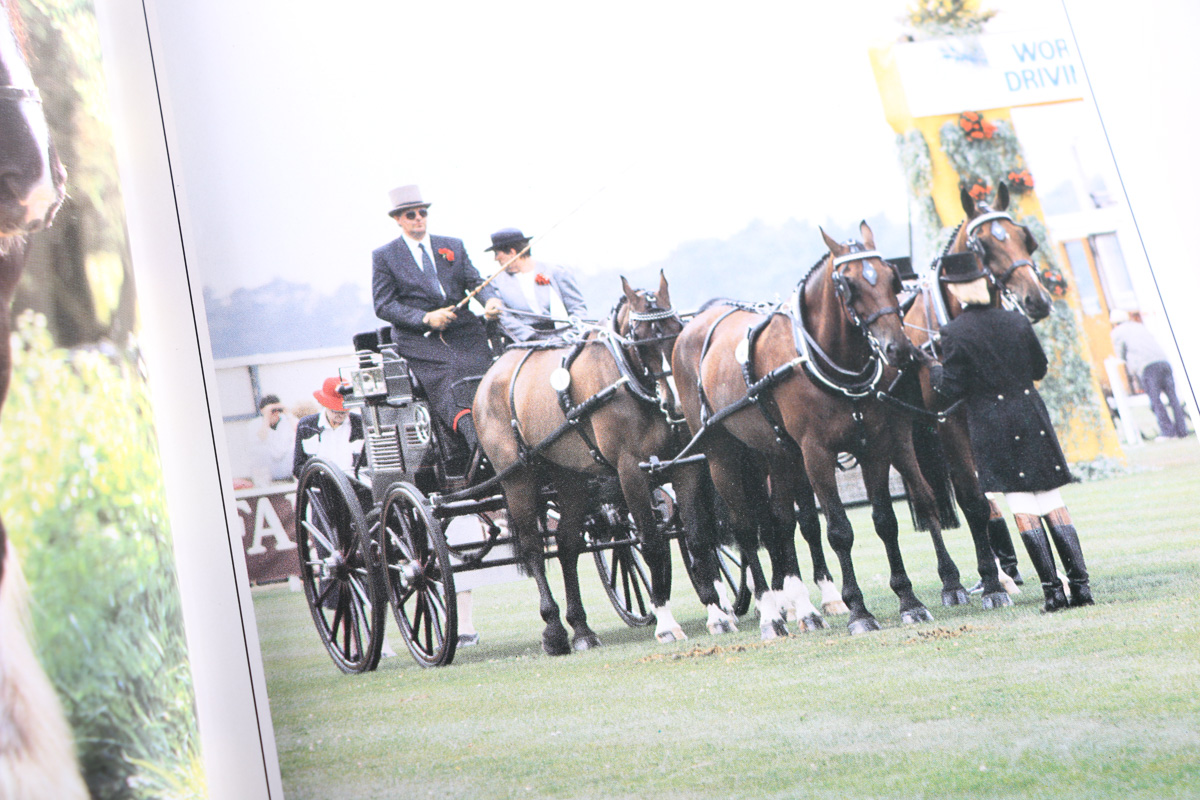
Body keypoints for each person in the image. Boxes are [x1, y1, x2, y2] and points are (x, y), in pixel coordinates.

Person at [929, 253, 1094, 613]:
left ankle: (1053, 592)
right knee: (1051, 499)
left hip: (992, 422)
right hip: (1030, 414)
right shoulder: (1017, 321)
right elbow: (1039, 368)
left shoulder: (954, 333)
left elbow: (951, 388)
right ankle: (1080, 587)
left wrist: (933, 370)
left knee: (1021, 504)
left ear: (956, 291)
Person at [371, 185, 502, 459]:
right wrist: (425, 318)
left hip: (464, 330)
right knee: (455, 369)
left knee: (490, 369)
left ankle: (502, 425)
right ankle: (471, 436)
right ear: (398, 219)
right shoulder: (385, 256)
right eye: (410, 215)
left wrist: (489, 302)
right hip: (420, 340)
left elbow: (476, 282)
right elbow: (383, 305)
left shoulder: (452, 245)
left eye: (422, 213)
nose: (418, 218)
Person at [485, 227, 588, 341]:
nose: (495, 259)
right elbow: (504, 317)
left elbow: (577, 307)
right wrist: (532, 337)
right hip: (524, 341)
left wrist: (572, 333)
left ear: (512, 252)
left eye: (497, 253)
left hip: (565, 337)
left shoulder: (555, 272)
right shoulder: (496, 282)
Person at [1110, 309, 1189, 439]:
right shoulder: (1139, 326)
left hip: (1147, 367)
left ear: (1115, 323)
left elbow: (1120, 355)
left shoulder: (1117, 332)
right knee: (1173, 398)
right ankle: (1182, 431)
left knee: (1156, 401)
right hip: (1164, 362)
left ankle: (1168, 432)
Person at [292, 377, 364, 479]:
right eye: (334, 410)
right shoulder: (306, 426)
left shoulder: (360, 424)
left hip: (354, 489)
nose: (340, 415)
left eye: (344, 411)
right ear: (324, 405)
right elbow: (298, 467)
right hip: (320, 489)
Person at [247, 393, 297, 486]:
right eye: (272, 410)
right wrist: (266, 416)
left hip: (286, 466)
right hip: (267, 470)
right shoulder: (255, 424)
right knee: (259, 451)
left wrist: (287, 412)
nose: (275, 413)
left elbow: (299, 432)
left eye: (277, 410)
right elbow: (261, 438)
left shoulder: (287, 421)